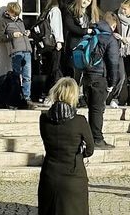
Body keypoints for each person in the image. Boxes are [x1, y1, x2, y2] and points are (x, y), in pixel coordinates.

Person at [38, 77, 94, 215]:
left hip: (49, 174)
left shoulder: (43, 119)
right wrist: (80, 153)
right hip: (74, 175)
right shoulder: (79, 121)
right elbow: (90, 149)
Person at [81, 11, 121, 150]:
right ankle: (97, 139)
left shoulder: (92, 34)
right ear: (114, 25)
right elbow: (113, 63)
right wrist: (112, 83)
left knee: (92, 109)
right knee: (97, 110)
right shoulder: (110, 39)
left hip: (86, 77)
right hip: (100, 78)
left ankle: (91, 138)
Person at [0, 1, 35, 108]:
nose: (16, 16)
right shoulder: (2, 22)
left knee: (27, 76)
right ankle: (16, 98)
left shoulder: (20, 21)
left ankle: (27, 98)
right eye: (14, 14)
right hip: (16, 50)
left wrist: (26, 33)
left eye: (17, 14)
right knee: (16, 77)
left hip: (26, 50)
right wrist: (12, 35)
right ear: (9, 11)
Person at [63, 0, 100, 82]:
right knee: (74, 70)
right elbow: (71, 26)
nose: (85, 2)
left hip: (87, 44)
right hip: (74, 44)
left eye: (88, 1)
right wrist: (86, 31)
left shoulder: (90, 13)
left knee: (86, 70)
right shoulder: (70, 10)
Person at [42, 0, 65, 96]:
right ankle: (51, 92)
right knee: (54, 68)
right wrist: (59, 41)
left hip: (46, 44)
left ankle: (46, 92)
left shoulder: (46, 12)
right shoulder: (56, 11)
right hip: (54, 43)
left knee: (50, 68)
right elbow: (56, 27)